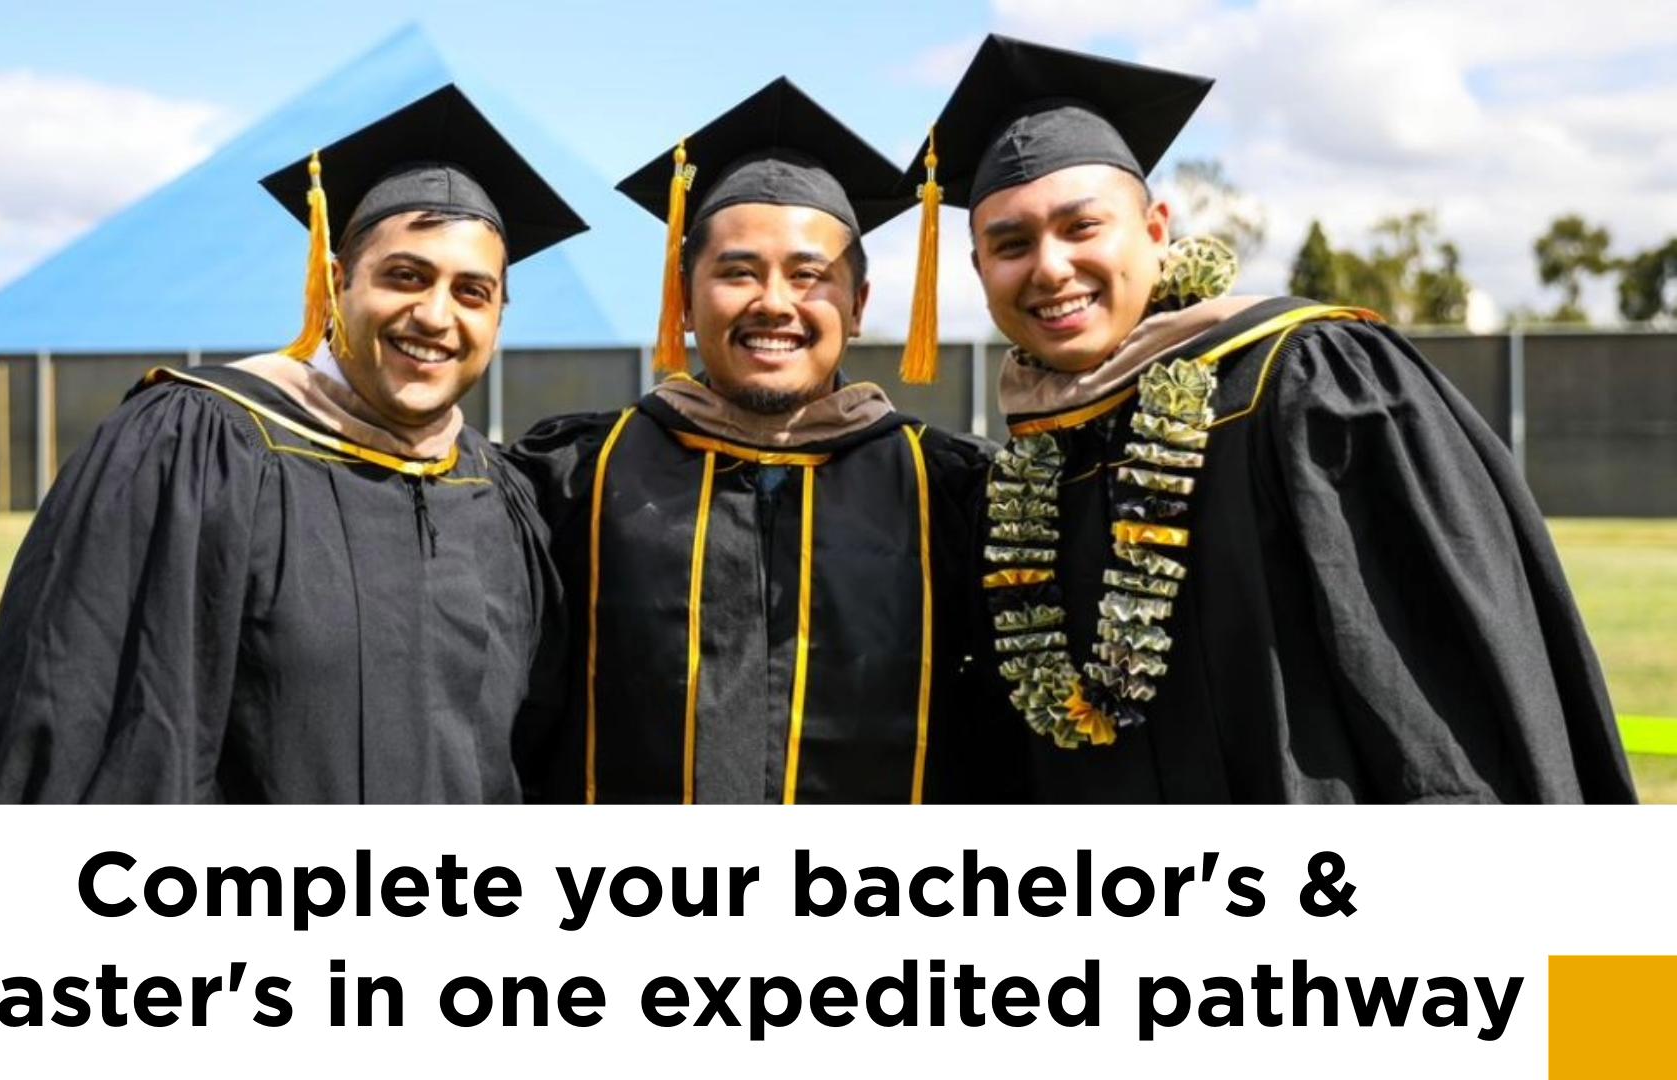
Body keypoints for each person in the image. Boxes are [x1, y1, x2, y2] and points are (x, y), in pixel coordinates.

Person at [906, 35, 1635, 802]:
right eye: (1012, 244)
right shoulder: (1028, 469)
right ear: (980, 270)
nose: (1050, 267)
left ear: (1156, 231)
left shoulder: (1309, 382)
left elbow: (1442, 718)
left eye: (1081, 227)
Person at [0, 85, 583, 803]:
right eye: (405, 276)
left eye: (472, 292)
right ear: (334, 283)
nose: (435, 315)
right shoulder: (197, 446)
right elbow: (93, 733)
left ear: (499, 316)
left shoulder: (496, 496)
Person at [509, 78, 1031, 804]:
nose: (775, 303)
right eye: (738, 273)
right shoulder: (573, 481)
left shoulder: (951, 491)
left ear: (858, 308)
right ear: (685, 299)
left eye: (809, 276)